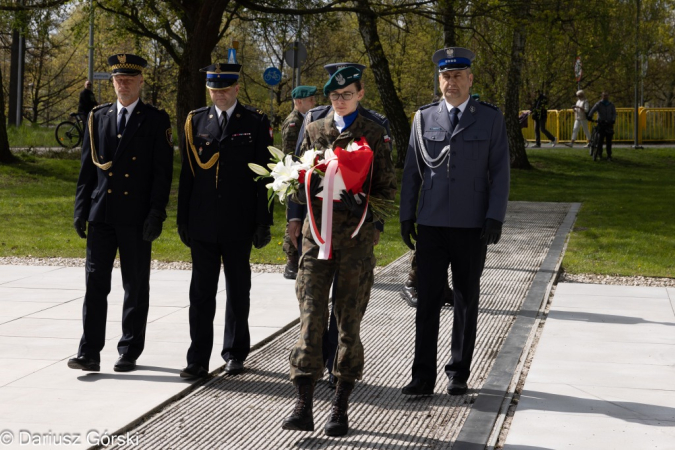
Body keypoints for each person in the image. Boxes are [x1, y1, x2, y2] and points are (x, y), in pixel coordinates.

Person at [282, 66, 397, 436]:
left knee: (348, 323)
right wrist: (307, 187)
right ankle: (303, 403)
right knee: (311, 318)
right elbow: (296, 183)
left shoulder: (375, 133)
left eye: (347, 94)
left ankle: (340, 406)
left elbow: (386, 190)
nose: (340, 101)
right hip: (318, 241)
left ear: (360, 94)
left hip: (355, 244)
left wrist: (363, 202)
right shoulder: (314, 130)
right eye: (334, 96)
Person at [399, 47, 510, 397]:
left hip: (472, 224)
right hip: (432, 223)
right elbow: (411, 172)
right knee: (427, 298)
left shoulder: (489, 118)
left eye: (458, 76)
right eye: (446, 76)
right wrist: (407, 214)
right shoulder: (423, 118)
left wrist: (495, 216)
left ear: (470, 79)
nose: (451, 82)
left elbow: (500, 172)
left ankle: (458, 372)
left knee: (465, 298)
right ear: (439, 80)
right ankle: (422, 376)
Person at [68, 54, 174, 373]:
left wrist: (156, 213)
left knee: (135, 285)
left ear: (141, 81)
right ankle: (89, 351)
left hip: (136, 217)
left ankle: (128, 349)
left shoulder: (155, 119)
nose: (123, 84)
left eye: (129, 79)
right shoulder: (97, 117)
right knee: (95, 284)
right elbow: (87, 169)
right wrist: (80, 210)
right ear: (112, 82)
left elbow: (161, 173)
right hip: (102, 214)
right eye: (118, 79)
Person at [176, 62, 273, 380]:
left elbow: (264, 176)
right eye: (213, 90)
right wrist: (183, 218)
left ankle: (234, 353)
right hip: (202, 221)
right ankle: (197, 359)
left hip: (238, 221)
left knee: (237, 290)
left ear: (236, 88)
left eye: (224, 89)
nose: (218, 95)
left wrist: (263, 221)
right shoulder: (195, 120)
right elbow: (188, 173)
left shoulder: (255, 122)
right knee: (200, 293)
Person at [281, 85, 317, 280]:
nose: (314, 103)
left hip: (303, 175)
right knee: (293, 218)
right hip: (294, 176)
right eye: (310, 100)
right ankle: (291, 261)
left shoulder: (306, 119)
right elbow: (291, 154)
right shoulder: (294, 123)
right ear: (298, 102)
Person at [588, 91, 617, 161]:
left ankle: (609, 155)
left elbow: (614, 113)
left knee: (609, 141)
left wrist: (613, 119)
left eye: (606, 96)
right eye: (604, 96)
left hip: (609, 123)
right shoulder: (599, 104)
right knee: (600, 140)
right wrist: (589, 116)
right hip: (601, 123)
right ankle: (599, 154)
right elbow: (592, 110)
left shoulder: (611, 104)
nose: (605, 97)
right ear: (602, 96)